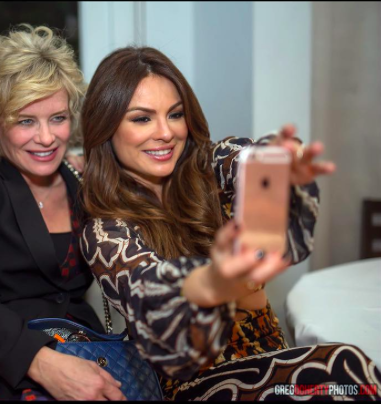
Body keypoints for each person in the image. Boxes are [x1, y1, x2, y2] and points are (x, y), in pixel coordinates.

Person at [79, 46, 380, 401]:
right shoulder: (105, 233)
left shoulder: (209, 166)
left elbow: (249, 160)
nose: (165, 132)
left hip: (271, 360)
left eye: (175, 114)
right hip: (196, 385)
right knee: (341, 368)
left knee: (350, 375)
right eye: (142, 119)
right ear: (107, 127)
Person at [0, 25, 125, 401]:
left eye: (58, 118)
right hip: (11, 368)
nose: (47, 137)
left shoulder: (77, 179)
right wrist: (44, 364)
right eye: (26, 121)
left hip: (90, 352)